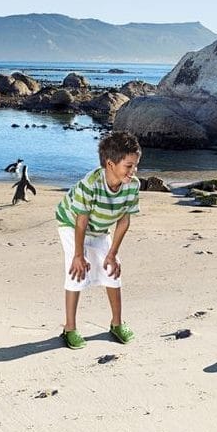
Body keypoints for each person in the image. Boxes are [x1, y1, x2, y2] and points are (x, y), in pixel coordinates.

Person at [56, 131, 142, 350]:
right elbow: (81, 222)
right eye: (128, 166)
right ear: (110, 164)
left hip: (100, 227)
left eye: (135, 165)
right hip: (71, 223)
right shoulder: (91, 184)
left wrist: (112, 254)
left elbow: (124, 221)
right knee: (76, 271)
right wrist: (78, 255)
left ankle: (116, 324)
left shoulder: (132, 185)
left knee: (112, 270)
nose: (133, 171)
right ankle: (70, 328)